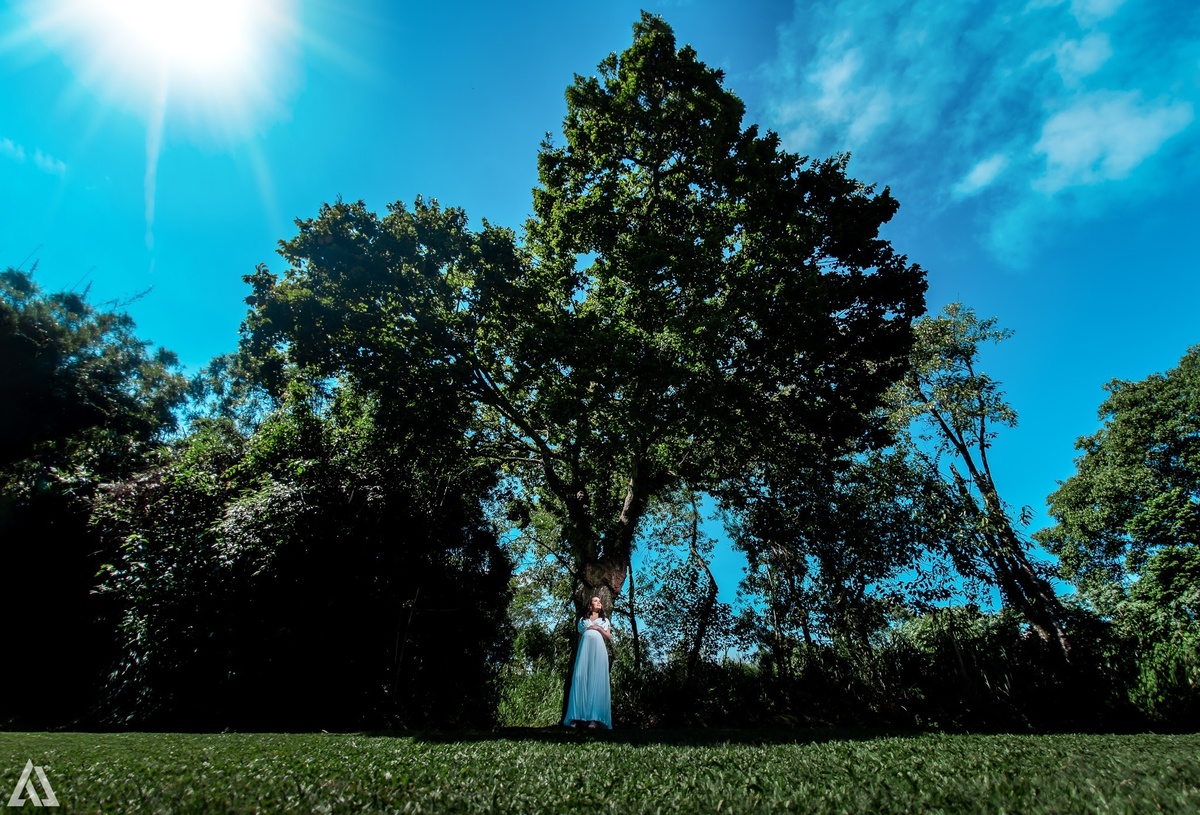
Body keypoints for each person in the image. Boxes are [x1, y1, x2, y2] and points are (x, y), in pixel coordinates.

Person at [563, 595, 612, 729]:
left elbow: (608, 637)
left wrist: (598, 629)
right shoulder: (583, 620)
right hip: (584, 652)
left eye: (600, 601)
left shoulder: (604, 620)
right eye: (596, 601)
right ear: (590, 605)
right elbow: (580, 636)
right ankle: (575, 717)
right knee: (580, 679)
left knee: (596, 681)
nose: (599, 603)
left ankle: (594, 719)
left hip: (599, 653)